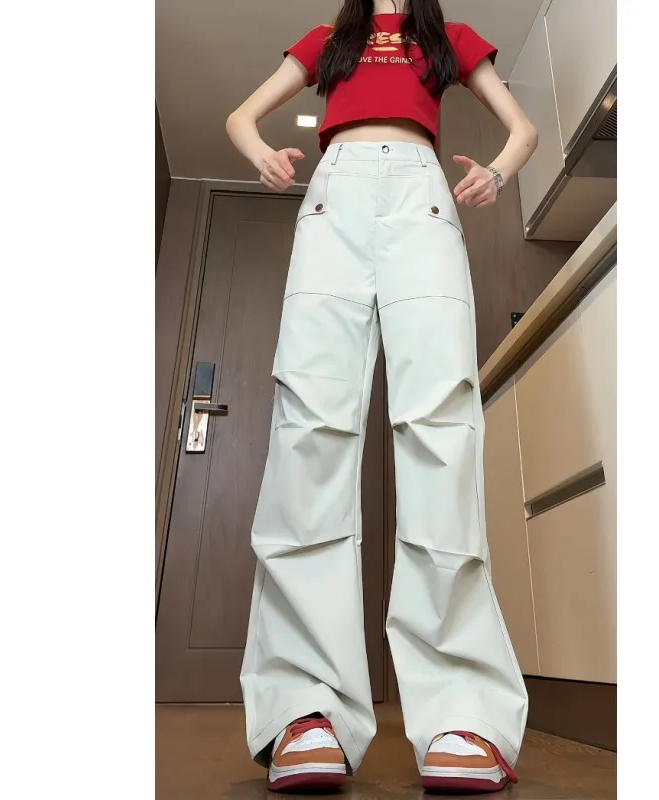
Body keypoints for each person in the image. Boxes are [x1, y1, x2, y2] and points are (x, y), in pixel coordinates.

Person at [226, 0, 538, 793]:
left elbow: (522, 130)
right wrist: (261, 153)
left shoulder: (448, 40)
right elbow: (239, 116)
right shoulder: (331, 40)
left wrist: (497, 172)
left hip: (421, 202)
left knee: (440, 427)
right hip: (333, 199)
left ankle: (463, 708)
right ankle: (305, 708)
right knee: (310, 427)